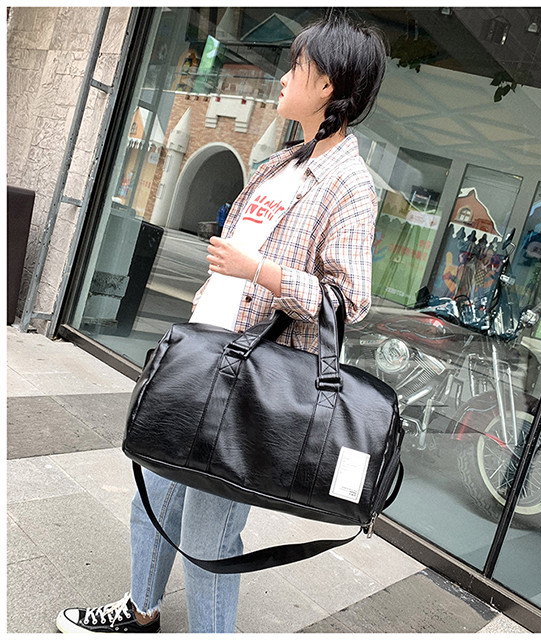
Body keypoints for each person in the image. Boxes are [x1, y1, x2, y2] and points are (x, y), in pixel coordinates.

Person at [56, 15, 387, 633]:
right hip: (205, 356)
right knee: (154, 495)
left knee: (209, 537)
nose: (283, 77)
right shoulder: (284, 162)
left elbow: (349, 301)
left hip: (250, 381)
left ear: (327, 85)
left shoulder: (349, 185)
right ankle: (141, 610)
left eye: (297, 67)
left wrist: (259, 270)